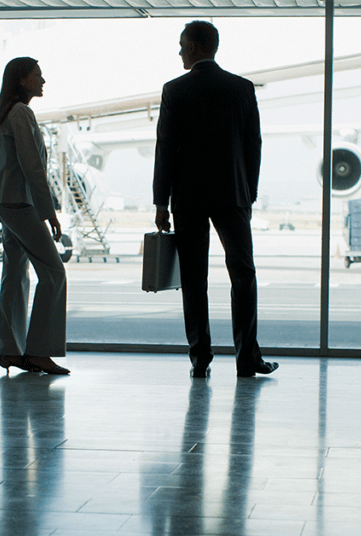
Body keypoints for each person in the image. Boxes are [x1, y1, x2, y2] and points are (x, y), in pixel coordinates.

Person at [153, 21, 278, 379]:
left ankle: (200, 358)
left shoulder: (174, 90)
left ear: (193, 48)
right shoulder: (240, 88)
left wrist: (161, 202)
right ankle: (247, 359)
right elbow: (253, 144)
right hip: (231, 195)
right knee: (243, 275)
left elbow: (167, 150)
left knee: (194, 280)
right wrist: (247, 192)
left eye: (181, 46)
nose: (179, 52)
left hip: (188, 198)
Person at [0, 57, 69, 375]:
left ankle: (11, 350)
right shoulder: (22, 113)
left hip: (4, 204)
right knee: (54, 274)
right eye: (37, 76)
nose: (43, 81)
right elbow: (32, 167)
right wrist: (48, 211)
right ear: (23, 80)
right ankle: (38, 352)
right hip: (21, 206)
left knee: (14, 277)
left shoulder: (4, 114)